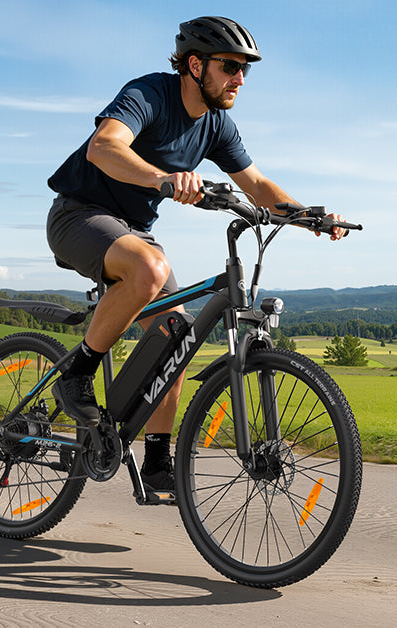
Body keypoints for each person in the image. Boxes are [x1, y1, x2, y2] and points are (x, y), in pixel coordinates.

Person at [45, 16, 345, 493]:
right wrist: (161, 178)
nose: (240, 79)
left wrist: (309, 217)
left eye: (245, 70)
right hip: (78, 215)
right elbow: (104, 147)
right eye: (230, 67)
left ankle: (157, 458)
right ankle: (77, 373)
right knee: (150, 268)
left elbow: (259, 185)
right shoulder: (149, 94)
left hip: (133, 231)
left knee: (175, 334)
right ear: (195, 64)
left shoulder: (217, 125)